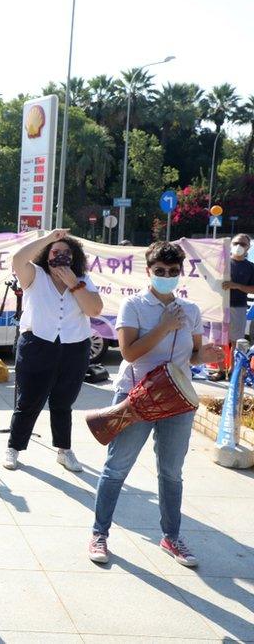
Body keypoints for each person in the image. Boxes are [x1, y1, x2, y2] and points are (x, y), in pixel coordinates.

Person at [89, 241, 223, 566]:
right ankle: (99, 534)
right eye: (160, 271)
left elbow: (192, 355)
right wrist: (164, 326)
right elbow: (129, 353)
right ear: (149, 272)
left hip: (178, 400)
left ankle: (171, 537)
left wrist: (205, 355)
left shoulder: (190, 311)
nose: (166, 276)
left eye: (173, 272)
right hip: (136, 396)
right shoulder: (133, 305)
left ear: (180, 275)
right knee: (116, 468)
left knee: (171, 472)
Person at [6, 229, 103, 472]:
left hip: (74, 347)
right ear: (45, 255)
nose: (60, 256)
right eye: (55, 252)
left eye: (66, 253)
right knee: (28, 401)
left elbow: (94, 310)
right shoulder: (35, 275)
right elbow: (18, 259)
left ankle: (64, 450)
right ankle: (14, 447)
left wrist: (74, 284)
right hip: (37, 344)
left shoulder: (82, 279)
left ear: (75, 257)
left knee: (63, 402)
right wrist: (49, 238)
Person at [217, 233, 254, 378]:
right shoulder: (221, 263)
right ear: (231, 244)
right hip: (219, 306)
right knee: (218, 341)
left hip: (238, 307)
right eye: (237, 242)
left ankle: (233, 372)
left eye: (243, 244)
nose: (239, 246)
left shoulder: (251, 267)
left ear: (248, 248)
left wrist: (236, 286)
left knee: (235, 342)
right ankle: (220, 371)